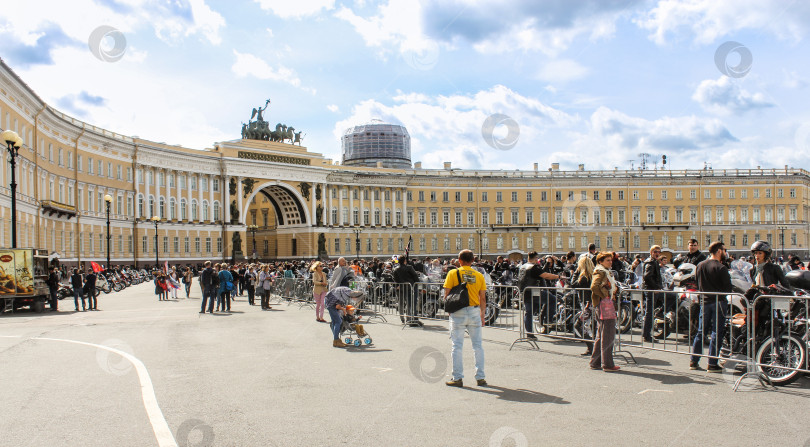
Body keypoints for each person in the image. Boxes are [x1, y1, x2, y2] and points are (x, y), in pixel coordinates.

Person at [443, 249, 487, 387]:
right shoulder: (478, 275)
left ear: (459, 260)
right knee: (478, 346)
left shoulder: (453, 273)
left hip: (458, 311)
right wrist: (482, 315)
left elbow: (447, 293)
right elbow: (483, 297)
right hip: (474, 311)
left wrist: (449, 309)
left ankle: (457, 377)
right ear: (473, 260)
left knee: (457, 346)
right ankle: (480, 377)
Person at [689, 241, 731, 373]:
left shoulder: (700, 265)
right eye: (724, 250)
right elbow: (728, 288)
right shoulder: (721, 267)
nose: (725, 252)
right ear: (719, 251)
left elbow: (697, 282)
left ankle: (694, 361)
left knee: (701, 332)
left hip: (704, 302)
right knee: (716, 333)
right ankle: (712, 363)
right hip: (718, 302)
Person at [590, 252, 620, 372]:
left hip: (602, 304)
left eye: (610, 260)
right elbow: (594, 286)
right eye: (607, 260)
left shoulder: (604, 271)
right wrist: (605, 295)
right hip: (604, 304)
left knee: (601, 333)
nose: (610, 262)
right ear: (600, 261)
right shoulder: (601, 271)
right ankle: (607, 364)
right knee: (607, 334)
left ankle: (595, 361)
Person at [574, 255, 595, 356]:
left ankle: (591, 347)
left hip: (588, 305)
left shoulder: (583, 277)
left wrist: (576, 271)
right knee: (594, 326)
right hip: (592, 304)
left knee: (578, 325)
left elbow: (572, 284)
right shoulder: (593, 275)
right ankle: (594, 347)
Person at [641, 245, 663, 343]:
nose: (657, 253)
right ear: (651, 252)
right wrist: (656, 287)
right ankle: (646, 335)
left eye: (659, 252)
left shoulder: (654, 262)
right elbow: (647, 277)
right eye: (655, 251)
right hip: (651, 290)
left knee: (650, 312)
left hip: (652, 289)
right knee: (649, 313)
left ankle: (660, 314)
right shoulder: (650, 262)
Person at [393, 256, 421, 327]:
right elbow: (415, 277)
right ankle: (408, 319)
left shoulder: (396, 269)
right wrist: (416, 283)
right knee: (409, 304)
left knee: (401, 304)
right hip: (409, 287)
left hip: (401, 288)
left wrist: (398, 285)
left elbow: (395, 279)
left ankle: (402, 319)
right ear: (405, 261)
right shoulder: (409, 267)